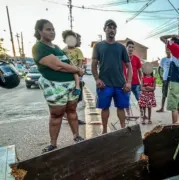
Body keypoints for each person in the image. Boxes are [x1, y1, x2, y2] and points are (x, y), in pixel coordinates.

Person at [32, 19, 85, 153]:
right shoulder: (38, 47)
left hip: (71, 86)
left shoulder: (56, 48)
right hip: (55, 87)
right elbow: (58, 66)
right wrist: (77, 70)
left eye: (53, 29)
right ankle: (53, 144)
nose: (52, 32)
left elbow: (71, 67)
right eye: (48, 29)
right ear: (39, 31)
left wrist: (77, 83)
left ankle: (76, 136)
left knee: (72, 112)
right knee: (56, 115)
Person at [92, 19, 133, 134]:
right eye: (109, 27)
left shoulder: (121, 48)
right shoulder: (98, 46)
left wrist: (128, 82)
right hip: (105, 84)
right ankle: (104, 131)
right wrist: (97, 79)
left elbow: (129, 66)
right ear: (104, 29)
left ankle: (123, 129)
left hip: (120, 84)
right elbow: (94, 64)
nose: (112, 30)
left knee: (121, 108)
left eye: (114, 28)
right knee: (105, 108)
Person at [159, 34, 179, 123]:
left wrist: (172, 35)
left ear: (175, 42)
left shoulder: (175, 47)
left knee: (173, 108)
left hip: (174, 81)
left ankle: (175, 127)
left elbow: (161, 38)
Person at [62, 30, 86, 125]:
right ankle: (70, 117)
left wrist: (79, 71)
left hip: (76, 75)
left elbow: (80, 63)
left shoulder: (78, 51)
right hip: (66, 76)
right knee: (69, 99)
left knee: (77, 98)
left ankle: (72, 116)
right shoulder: (63, 50)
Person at [123, 40, 143, 117]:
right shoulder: (122, 58)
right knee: (126, 100)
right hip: (125, 83)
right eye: (129, 47)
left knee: (139, 99)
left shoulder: (137, 59)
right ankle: (128, 114)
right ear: (126, 48)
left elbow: (140, 72)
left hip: (136, 83)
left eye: (132, 47)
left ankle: (142, 113)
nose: (131, 49)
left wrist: (141, 82)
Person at [156, 48, 171, 112]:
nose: (168, 51)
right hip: (165, 78)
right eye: (167, 50)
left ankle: (173, 109)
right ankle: (162, 108)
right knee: (164, 94)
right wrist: (160, 76)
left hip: (172, 79)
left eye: (169, 50)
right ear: (165, 51)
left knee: (172, 93)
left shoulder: (174, 59)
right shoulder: (163, 59)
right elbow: (159, 68)